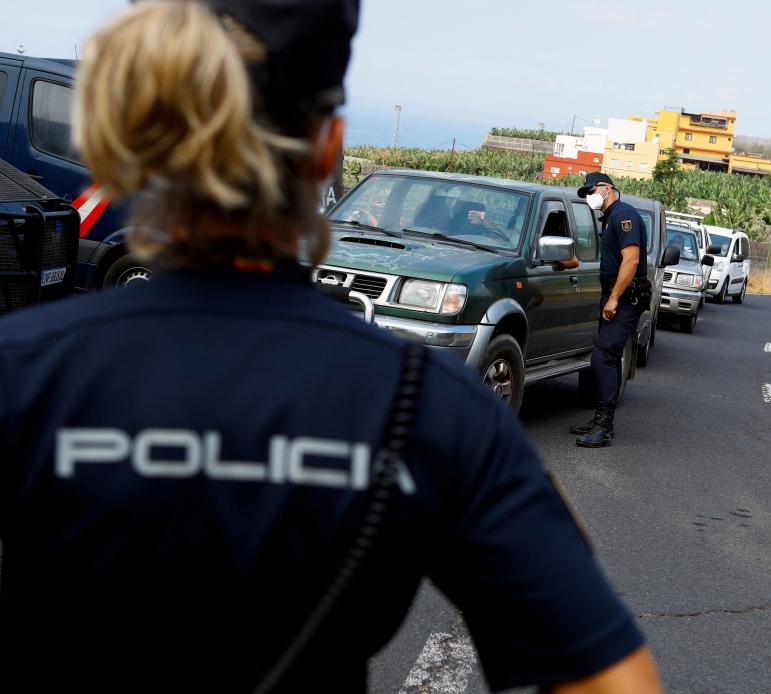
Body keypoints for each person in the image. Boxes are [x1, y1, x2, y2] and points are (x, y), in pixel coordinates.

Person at [0, 2, 661, 693]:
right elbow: (615, 680)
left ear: (134, 140)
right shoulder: (432, 409)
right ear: (326, 147)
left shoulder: (25, 366)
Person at [570, 172, 647, 447]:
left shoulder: (623, 215)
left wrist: (614, 298)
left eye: (592, 190)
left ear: (607, 188)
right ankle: (602, 420)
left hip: (625, 297)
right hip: (615, 294)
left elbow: (632, 260)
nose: (590, 195)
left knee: (602, 357)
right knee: (610, 357)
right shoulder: (610, 217)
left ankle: (604, 425)